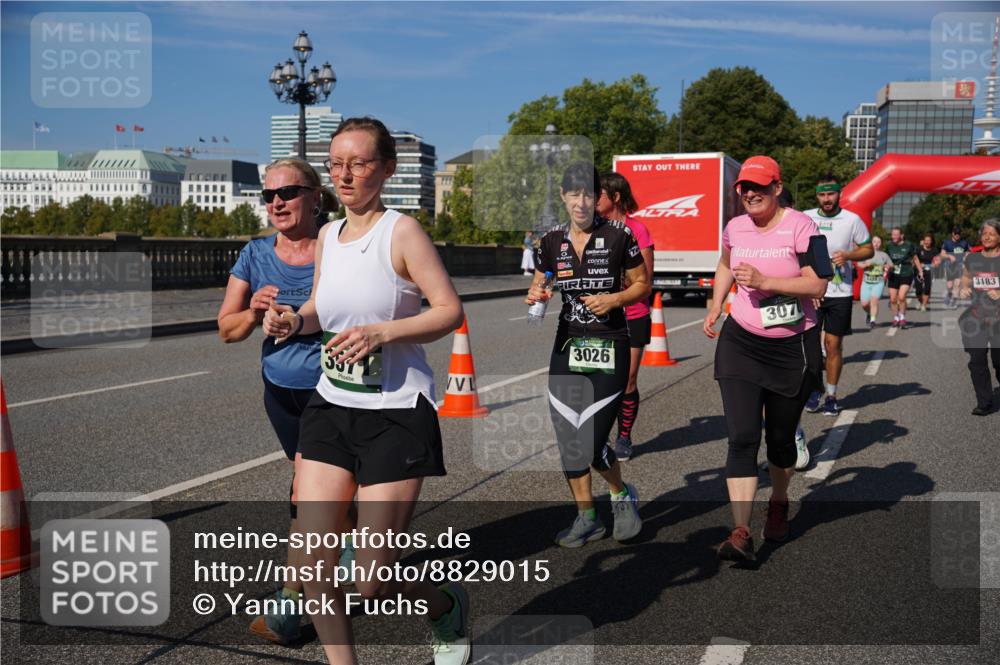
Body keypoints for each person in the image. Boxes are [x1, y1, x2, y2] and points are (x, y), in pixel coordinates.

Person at [263, 117, 469, 664]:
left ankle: (445, 606)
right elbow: (323, 310)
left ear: (386, 168)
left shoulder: (401, 233)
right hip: (331, 406)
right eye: (336, 164)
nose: (345, 174)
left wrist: (385, 331)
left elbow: (449, 310)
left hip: (396, 412)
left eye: (358, 162)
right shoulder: (328, 236)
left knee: (372, 581)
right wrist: (293, 322)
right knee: (312, 565)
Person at [217, 157, 357, 645]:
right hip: (281, 392)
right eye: (269, 196)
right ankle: (346, 548)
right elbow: (226, 330)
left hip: (334, 388)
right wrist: (254, 312)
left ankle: (292, 599)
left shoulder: (339, 243)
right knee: (328, 492)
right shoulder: (255, 255)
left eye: (288, 192)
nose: (276, 202)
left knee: (306, 490)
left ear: (315, 196)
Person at [703, 156, 827, 561]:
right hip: (742, 341)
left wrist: (766, 281)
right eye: (743, 188)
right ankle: (740, 530)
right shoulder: (735, 227)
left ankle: (779, 499)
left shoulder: (802, 226)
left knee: (779, 439)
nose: (750, 193)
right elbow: (725, 265)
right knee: (741, 437)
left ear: (777, 188)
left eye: (758, 186)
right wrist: (716, 303)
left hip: (792, 345)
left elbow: (819, 283)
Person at [527, 161, 649, 548]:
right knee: (568, 438)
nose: (581, 202)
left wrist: (614, 297)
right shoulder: (550, 241)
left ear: (597, 198)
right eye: (573, 194)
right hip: (567, 347)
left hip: (610, 345)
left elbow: (643, 284)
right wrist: (538, 294)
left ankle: (619, 493)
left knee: (590, 440)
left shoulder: (619, 235)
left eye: (588, 194)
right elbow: (540, 282)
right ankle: (586, 517)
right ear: (563, 196)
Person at [802, 175, 873, 416]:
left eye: (830, 194)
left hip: (840, 293)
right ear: (817, 196)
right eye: (822, 195)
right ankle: (814, 388)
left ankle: (831, 394)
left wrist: (848, 256)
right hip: (811, 291)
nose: (826, 199)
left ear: (838, 194)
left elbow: (868, 248)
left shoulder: (852, 219)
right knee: (811, 348)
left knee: (832, 345)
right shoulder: (806, 217)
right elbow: (796, 249)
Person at [596, 172, 654, 461]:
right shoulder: (591, 230)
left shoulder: (638, 230)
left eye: (599, 194)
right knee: (601, 378)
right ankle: (600, 434)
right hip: (599, 316)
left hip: (632, 313)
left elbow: (646, 280)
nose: (592, 199)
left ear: (615, 197)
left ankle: (624, 436)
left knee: (627, 379)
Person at [958, 218, 1000, 416]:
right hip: (976, 317)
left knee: (999, 361)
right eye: (984, 234)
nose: (987, 237)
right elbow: (965, 278)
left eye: (992, 233)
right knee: (976, 360)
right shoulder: (972, 259)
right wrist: (964, 288)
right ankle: (984, 402)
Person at [886, 227, 923, 329]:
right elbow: (886, 259)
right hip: (893, 274)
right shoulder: (889, 246)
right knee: (893, 299)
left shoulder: (909, 245)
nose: (893, 236)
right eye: (892, 234)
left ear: (901, 235)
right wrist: (885, 267)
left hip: (906, 273)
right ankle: (895, 317)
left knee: (901, 297)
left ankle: (902, 316)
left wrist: (920, 271)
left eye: (896, 235)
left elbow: (915, 258)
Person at [856, 236, 893, 329]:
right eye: (874, 241)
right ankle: (869, 313)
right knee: (864, 304)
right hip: (866, 282)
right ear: (871, 243)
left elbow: (891, 265)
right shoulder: (866, 253)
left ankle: (872, 320)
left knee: (874, 301)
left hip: (878, 282)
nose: (876, 243)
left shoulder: (884, 255)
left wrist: (887, 266)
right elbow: (858, 264)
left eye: (878, 242)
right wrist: (865, 265)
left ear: (881, 244)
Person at [942, 226, 972, 309]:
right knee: (949, 286)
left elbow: (968, 251)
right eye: (956, 234)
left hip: (959, 266)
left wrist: (966, 257)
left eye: (959, 234)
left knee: (958, 284)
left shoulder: (964, 243)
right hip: (949, 266)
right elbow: (942, 254)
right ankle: (949, 296)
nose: (957, 235)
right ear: (952, 233)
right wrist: (949, 256)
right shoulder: (947, 243)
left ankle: (954, 301)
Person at [914, 233, 938, 312]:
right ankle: (921, 302)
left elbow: (937, 260)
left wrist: (934, 264)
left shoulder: (934, 250)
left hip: (929, 270)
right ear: (923, 241)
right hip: (918, 270)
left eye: (929, 240)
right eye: (925, 240)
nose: (927, 242)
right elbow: (914, 259)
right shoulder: (918, 249)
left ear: (931, 241)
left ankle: (924, 305)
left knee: (927, 288)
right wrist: (920, 265)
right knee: (918, 290)